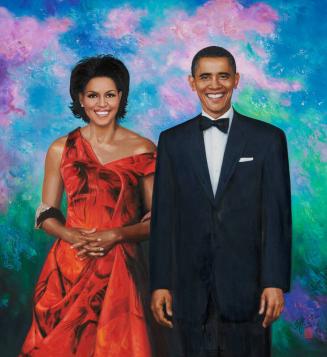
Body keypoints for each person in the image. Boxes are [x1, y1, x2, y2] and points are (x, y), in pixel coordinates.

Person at [150, 46, 292, 357]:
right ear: (192, 82)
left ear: (236, 79)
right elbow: (163, 219)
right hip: (187, 290)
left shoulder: (268, 139)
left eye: (223, 76)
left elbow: (277, 217)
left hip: (250, 290)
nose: (214, 85)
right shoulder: (171, 141)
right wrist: (159, 283)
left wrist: (275, 282)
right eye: (205, 77)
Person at [21, 55, 162, 356]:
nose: (102, 103)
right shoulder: (61, 149)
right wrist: (72, 236)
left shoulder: (144, 149)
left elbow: (158, 219)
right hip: (67, 270)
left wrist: (117, 235)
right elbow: (46, 212)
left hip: (121, 271)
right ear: (81, 100)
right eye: (93, 95)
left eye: (110, 94)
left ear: (121, 97)